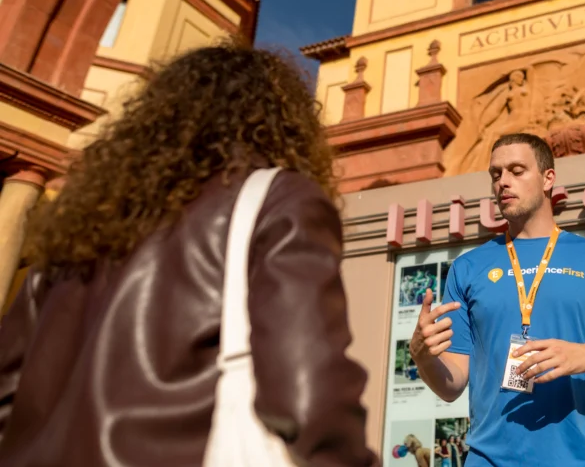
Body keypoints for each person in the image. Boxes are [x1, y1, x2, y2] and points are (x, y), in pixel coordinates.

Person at [0, 44, 378, 466]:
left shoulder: (76, 232)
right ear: (282, 121)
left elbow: (7, 397)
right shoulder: (277, 199)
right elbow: (310, 391)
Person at [409, 133, 585, 466]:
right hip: (488, 459)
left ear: (548, 178)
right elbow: (452, 384)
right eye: (496, 174)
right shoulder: (467, 267)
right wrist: (422, 357)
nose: (503, 182)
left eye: (516, 170)